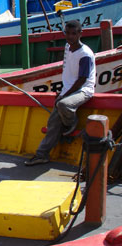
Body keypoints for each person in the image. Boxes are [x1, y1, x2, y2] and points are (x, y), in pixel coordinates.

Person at [25, 20, 96, 166]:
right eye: (67, 33)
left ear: (80, 34)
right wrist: (63, 91)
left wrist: (66, 94)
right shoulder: (68, 47)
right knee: (52, 124)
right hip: (69, 89)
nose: (70, 37)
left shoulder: (85, 54)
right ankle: (42, 155)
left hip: (83, 90)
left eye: (73, 34)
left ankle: (71, 123)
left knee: (63, 104)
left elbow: (82, 80)